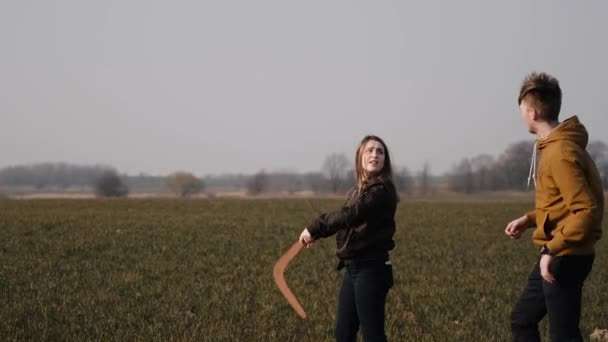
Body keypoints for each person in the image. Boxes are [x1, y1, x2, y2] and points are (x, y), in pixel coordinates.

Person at [505, 72, 604, 342]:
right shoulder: (555, 149)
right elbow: (562, 206)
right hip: (557, 251)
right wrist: (529, 219)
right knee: (522, 320)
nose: (522, 117)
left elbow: (585, 210)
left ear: (533, 112)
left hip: (565, 254)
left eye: (523, 111)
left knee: (564, 336)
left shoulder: (560, 153)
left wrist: (551, 250)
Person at [299, 135, 398, 342]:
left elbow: (351, 215)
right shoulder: (359, 191)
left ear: (384, 160)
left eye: (380, 152)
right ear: (360, 157)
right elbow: (349, 224)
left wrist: (316, 227)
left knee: (373, 336)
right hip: (353, 269)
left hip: (372, 269)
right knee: (343, 335)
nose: (375, 155)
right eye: (370, 150)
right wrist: (317, 233)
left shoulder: (381, 190)